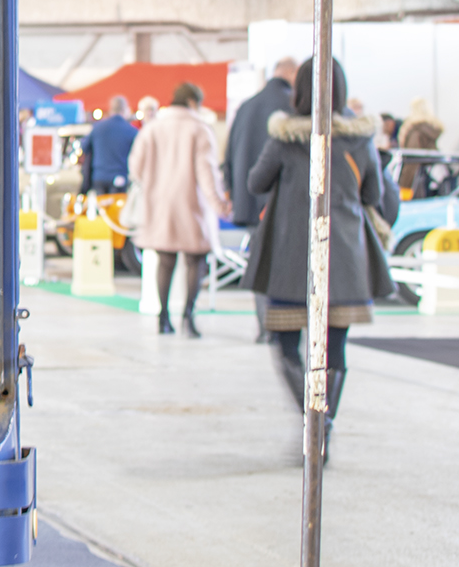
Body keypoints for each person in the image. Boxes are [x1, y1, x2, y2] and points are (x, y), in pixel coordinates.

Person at [246, 58, 396, 457]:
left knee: (285, 341)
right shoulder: (360, 139)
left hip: (293, 257)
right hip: (344, 257)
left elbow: (255, 181)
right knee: (335, 348)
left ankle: (314, 420)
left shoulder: (285, 138)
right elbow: (373, 197)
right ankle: (324, 422)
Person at [127, 82, 226, 338]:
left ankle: (163, 317)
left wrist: (153, 182)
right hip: (191, 204)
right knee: (195, 260)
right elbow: (207, 173)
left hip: (159, 204)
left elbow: (135, 166)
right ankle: (188, 317)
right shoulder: (199, 129)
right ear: (193, 102)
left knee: (165, 260)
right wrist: (219, 203)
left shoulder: (152, 128)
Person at [225, 57, 295, 228]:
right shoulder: (292, 106)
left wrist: (232, 193)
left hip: (246, 202)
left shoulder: (246, 106)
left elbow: (229, 154)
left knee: (255, 252)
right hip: (280, 208)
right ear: (292, 73)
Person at [79, 95, 138, 194]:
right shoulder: (132, 131)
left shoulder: (97, 128)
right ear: (125, 110)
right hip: (121, 178)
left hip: (99, 177)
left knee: (100, 207)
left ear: (111, 109)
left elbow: (84, 148)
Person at [397, 98, 444, 196]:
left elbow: (412, 162)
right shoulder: (430, 130)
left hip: (415, 183)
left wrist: (405, 188)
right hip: (429, 179)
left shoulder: (415, 132)